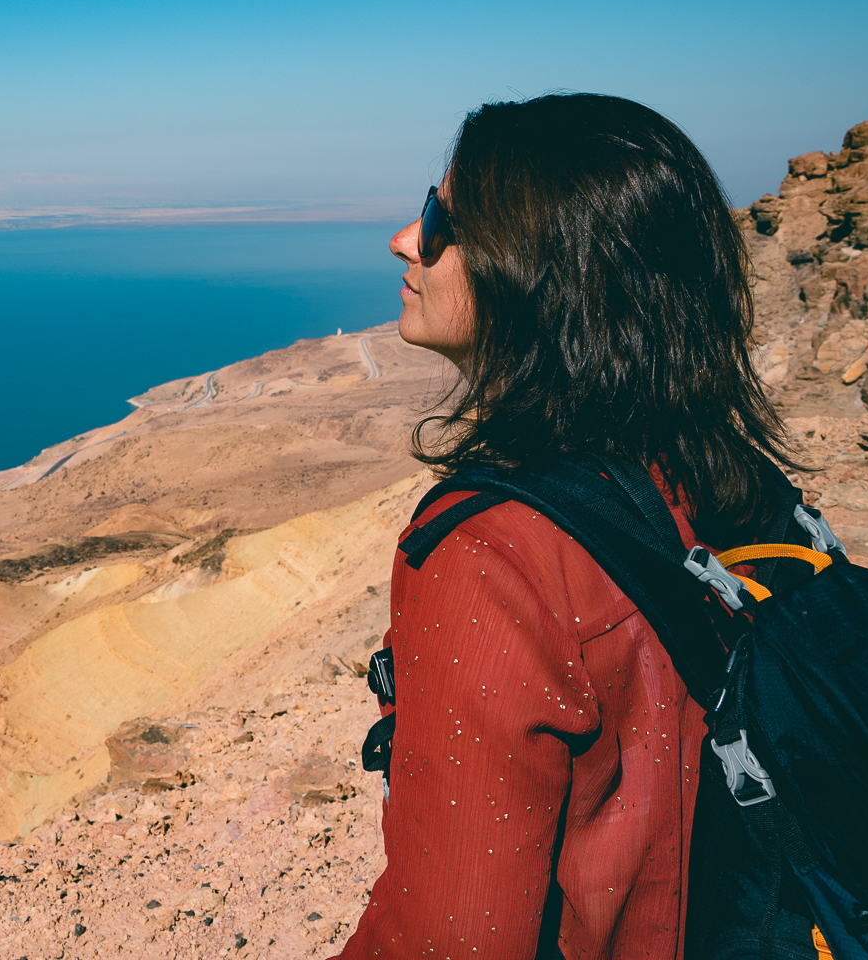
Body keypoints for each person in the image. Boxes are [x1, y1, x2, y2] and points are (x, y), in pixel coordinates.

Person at [334, 93, 811, 960]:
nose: (407, 239)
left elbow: (458, 934)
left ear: (535, 273)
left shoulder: (492, 552)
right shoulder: (721, 470)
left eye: (443, 218)